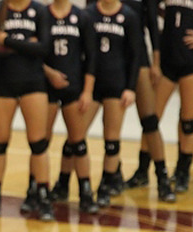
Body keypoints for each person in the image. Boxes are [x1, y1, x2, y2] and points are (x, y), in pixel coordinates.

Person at [0, 0, 54, 221]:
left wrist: (8, 41)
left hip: (33, 82)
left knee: (38, 143)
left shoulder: (39, 11)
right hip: (2, 83)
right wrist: (26, 45)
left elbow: (44, 48)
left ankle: (43, 197)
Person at [42, 0, 99, 214]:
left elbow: (91, 57)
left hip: (73, 87)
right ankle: (37, 190)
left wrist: (87, 91)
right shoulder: (43, 15)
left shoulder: (82, 17)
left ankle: (86, 192)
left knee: (78, 142)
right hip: (46, 86)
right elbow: (34, 52)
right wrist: (49, 73)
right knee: (40, 143)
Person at [153, 0, 193, 193]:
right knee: (152, 119)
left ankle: (183, 172)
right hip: (168, 59)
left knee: (188, 120)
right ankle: (142, 170)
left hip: (192, 60)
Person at [84, 0, 141, 208]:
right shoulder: (89, 14)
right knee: (76, 136)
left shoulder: (129, 16)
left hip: (116, 83)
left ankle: (106, 186)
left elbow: (135, 55)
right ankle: (65, 183)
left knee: (111, 140)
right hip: (92, 84)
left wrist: (130, 88)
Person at [121, 0, 175, 204]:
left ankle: (162, 178)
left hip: (139, 57)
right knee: (109, 118)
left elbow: (152, 24)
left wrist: (156, 63)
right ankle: (111, 175)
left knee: (150, 120)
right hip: (110, 59)